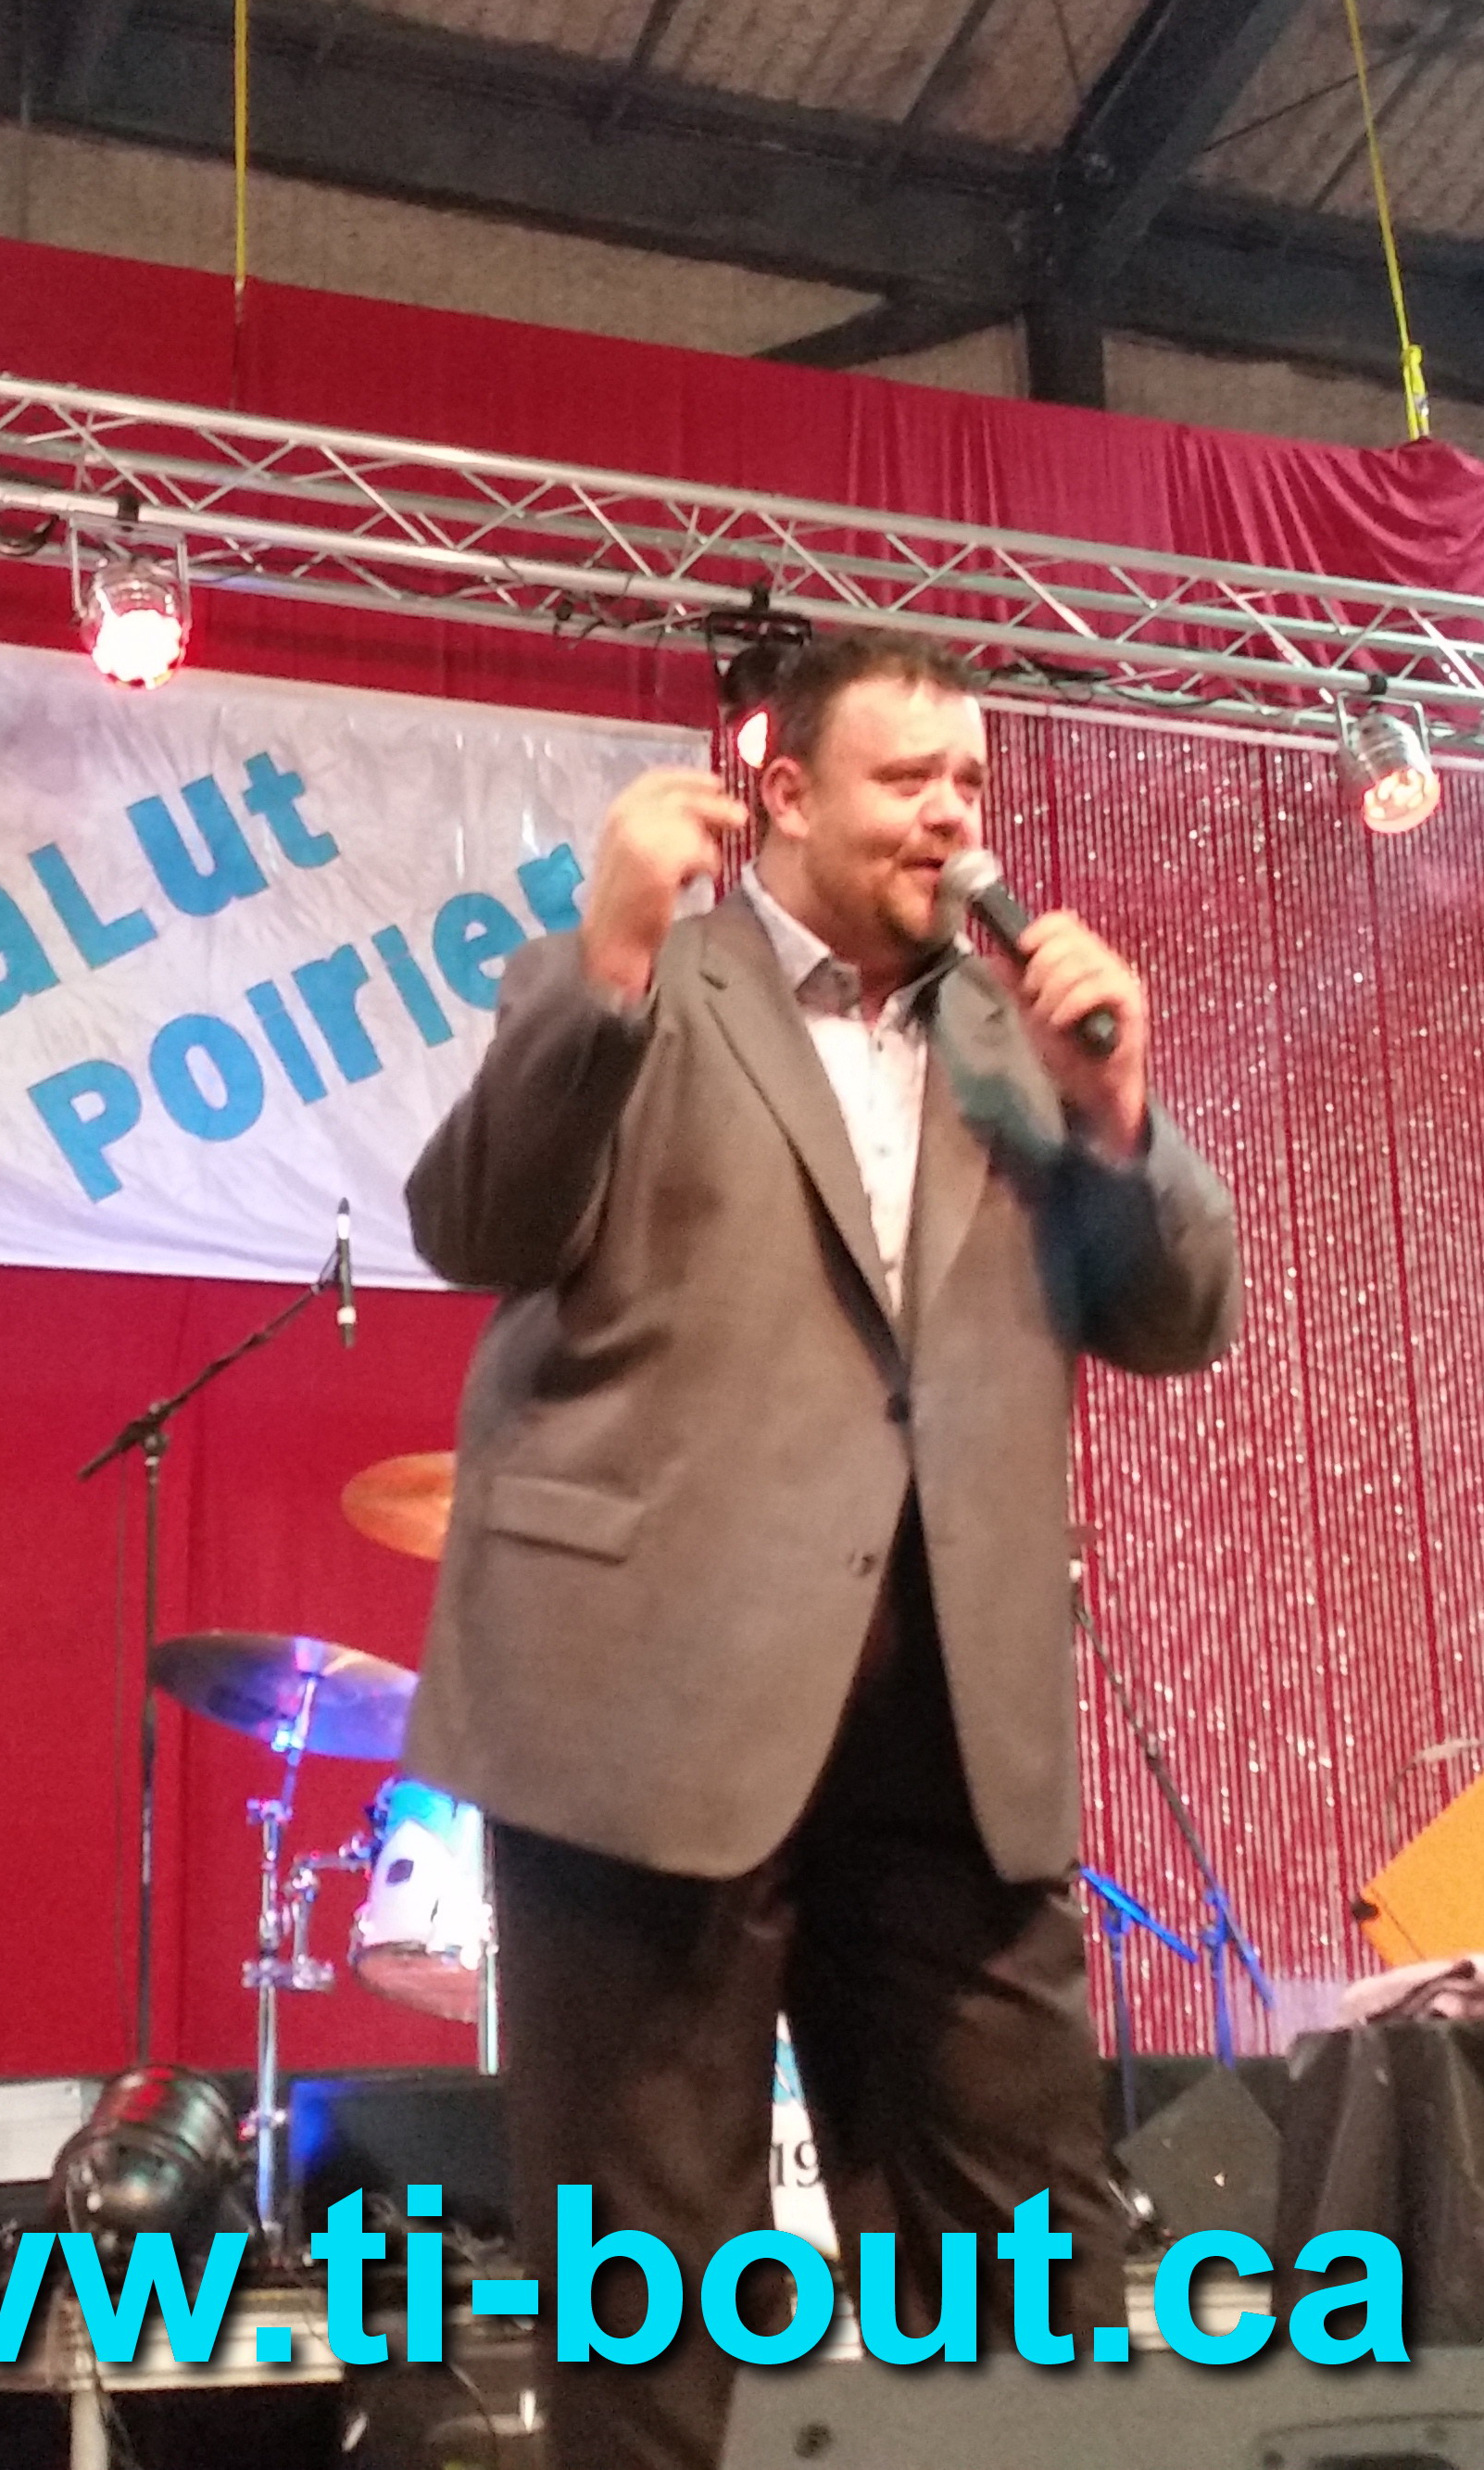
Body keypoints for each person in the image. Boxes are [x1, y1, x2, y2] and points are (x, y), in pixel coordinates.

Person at [400, 630, 1241, 2470]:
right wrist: (607, 963)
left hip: (949, 1730)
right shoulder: (639, 976)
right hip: (650, 1710)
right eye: (908, 781)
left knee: (1033, 2270)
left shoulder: (1020, 1043)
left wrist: (1119, 1119)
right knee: (654, 2293)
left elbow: (1179, 1319)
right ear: (781, 791)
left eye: (972, 783)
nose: (954, 818)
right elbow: (476, 1224)